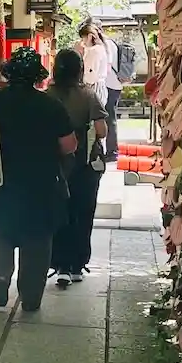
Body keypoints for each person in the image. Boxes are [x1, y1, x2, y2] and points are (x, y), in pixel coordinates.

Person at [0, 47, 77, 312]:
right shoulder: (50, 104)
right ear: (38, 76)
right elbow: (69, 145)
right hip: (41, 183)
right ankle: (31, 295)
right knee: (38, 239)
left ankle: (2, 274)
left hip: (1, 180)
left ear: (9, 72)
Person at [47, 48, 107, 287]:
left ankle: (60, 264)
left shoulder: (47, 95)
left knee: (59, 211)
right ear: (79, 70)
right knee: (83, 212)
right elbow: (102, 130)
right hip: (85, 165)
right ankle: (77, 265)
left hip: (54, 164)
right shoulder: (88, 95)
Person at [77, 18, 120, 161]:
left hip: (93, 87)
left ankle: (92, 153)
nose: (83, 41)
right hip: (102, 87)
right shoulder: (103, 48)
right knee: (99, 119)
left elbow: (90, 75)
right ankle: (98, 152)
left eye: (84, 38)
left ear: (89, 36)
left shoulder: (93, 51)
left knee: (91, 122)